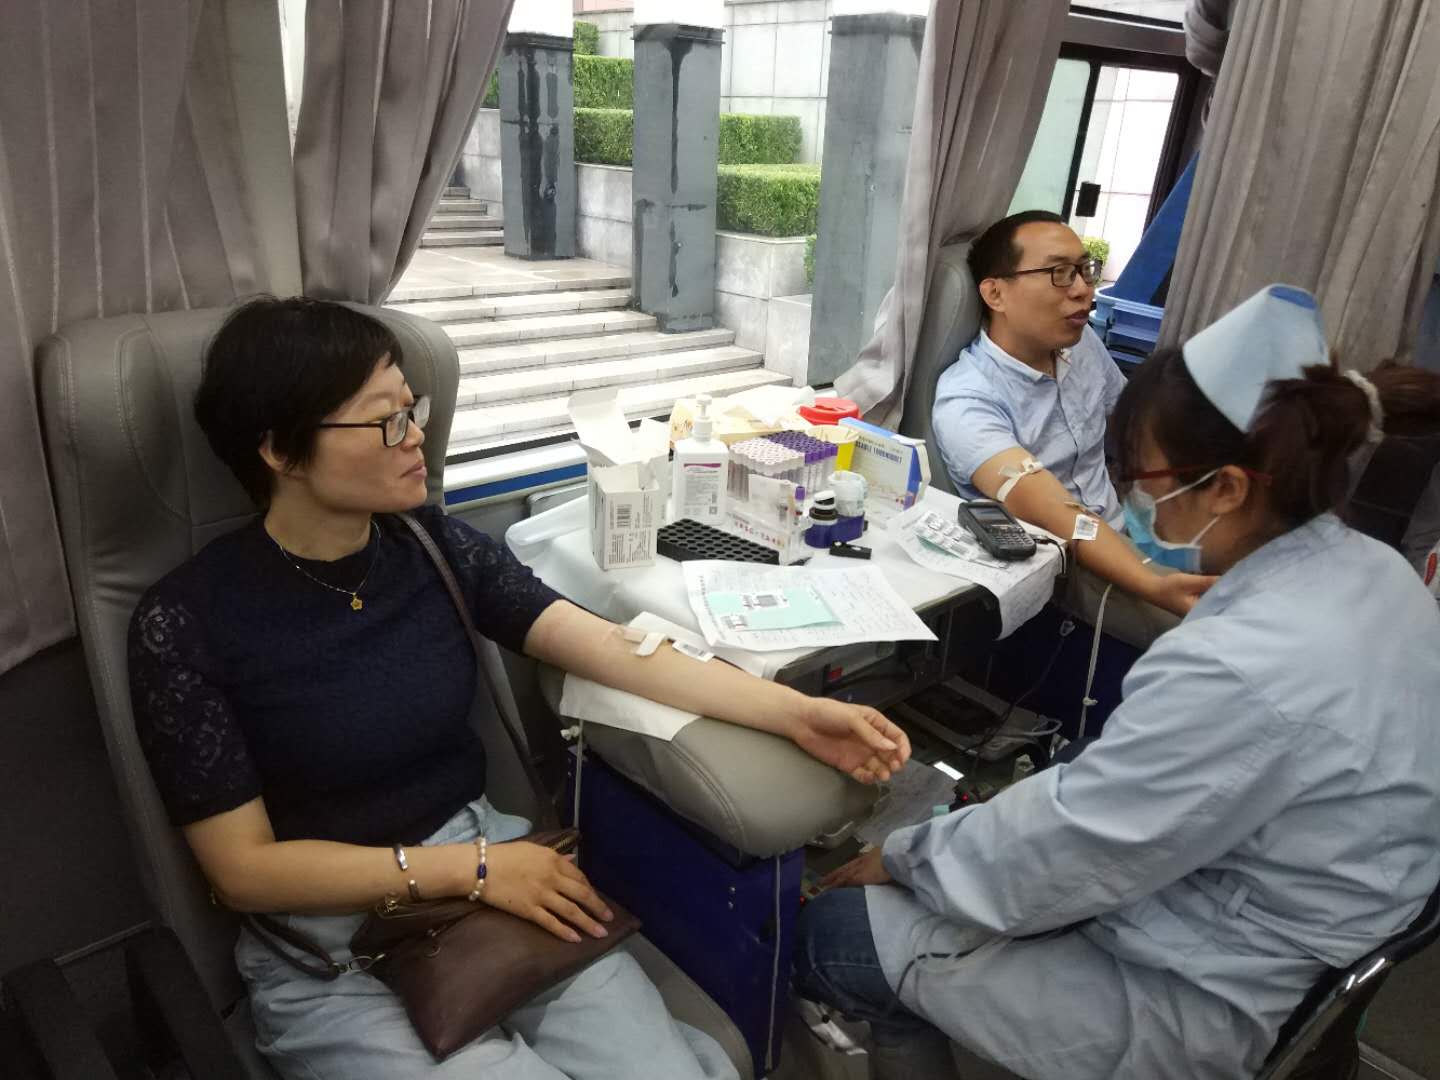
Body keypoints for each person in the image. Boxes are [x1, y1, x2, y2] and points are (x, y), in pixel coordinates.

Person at [127, 297, 912, 1080]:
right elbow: (244, 871)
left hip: (495, 881)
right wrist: (473, 870)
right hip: (330, 948)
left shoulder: (434, 547)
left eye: (412, 409)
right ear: (281, 451)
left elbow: (610, 648)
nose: (417, 437)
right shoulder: (187, 622)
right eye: (385, 422)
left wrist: (797, 713)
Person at [795, 285, 1440, 1080]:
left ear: (1229, 488)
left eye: (1143, 479)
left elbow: (1070, 851)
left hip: (1211, 994)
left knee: (835, 935)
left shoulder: (1240, 667)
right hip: (1313, 928)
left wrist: (905, 859)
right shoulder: (1382, 574)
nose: (1134, 500)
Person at [932, 210, 1214, 644]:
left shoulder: (1080, 347)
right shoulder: (968, 401)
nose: (1084, 289)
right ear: (995, 293)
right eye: (1059, 273)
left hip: (1126, 524)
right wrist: (1152, 581)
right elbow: (1056, 515)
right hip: (1069, 563)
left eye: (1085, 270)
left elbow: (1134, 423)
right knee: (1214, 637)